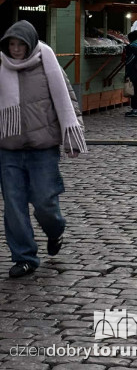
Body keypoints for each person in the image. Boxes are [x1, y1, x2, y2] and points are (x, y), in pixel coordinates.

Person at [0, 20, 87, 278]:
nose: (15, 49)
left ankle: (55, 230)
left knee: (45, 202)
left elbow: (67, 99)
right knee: (14, 207)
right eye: (11, 44)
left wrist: (75, 133)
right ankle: (25, 257)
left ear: (31, 43)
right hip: (9, 149)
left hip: (42, 149)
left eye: (20, 44)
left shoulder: (47, 62)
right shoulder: (0, 66)